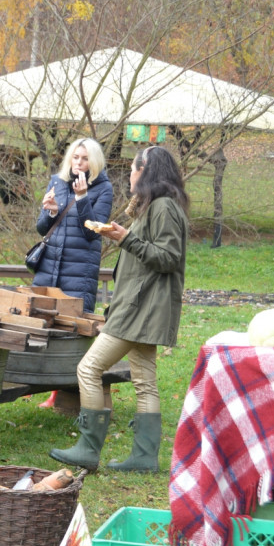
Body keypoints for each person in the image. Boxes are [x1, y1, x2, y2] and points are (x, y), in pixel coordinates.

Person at [49, 145, 188, 472]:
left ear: (147, 171)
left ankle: (88, 447)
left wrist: (126, 239)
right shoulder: (153, 206)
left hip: (141, 309)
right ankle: (143, 458)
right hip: (141, 306)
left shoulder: (164, 207)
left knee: (88, 368)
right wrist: (122, 234)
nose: (130, 173)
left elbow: (168, 258)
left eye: (134, 168)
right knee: (145, 382)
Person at [33, 137, 114, 409]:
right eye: (75, 158)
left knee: (75, 330)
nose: (78, 163)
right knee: (44, 323)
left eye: (84, 158)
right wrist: (49, 212)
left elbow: (92, 232)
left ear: (94, 161)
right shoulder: (57, 182)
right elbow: (42, 228)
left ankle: (80, 392)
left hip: (78, 269)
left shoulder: (104, 189)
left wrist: (81, 199)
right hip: (50, 266)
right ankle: (50, 388)